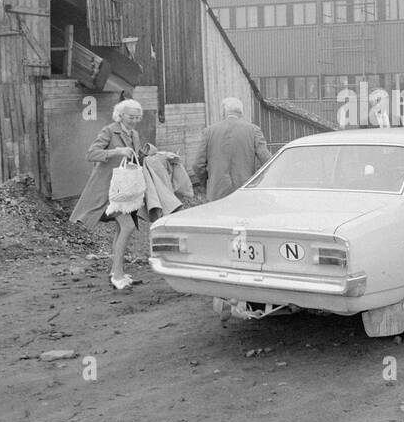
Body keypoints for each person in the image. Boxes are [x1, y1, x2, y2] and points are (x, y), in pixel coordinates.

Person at [69, 99, 179, 290]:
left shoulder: (134, 134)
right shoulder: (109, 131)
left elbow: (137, 158)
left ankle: (115, 271)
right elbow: (91, 154)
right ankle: (117, 275)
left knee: (122, 229)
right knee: (127, 227)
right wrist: (116, 151)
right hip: (107, 191)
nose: (135, 120)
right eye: (131, 116)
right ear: (120, 115)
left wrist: (160, 155)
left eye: (138, 117)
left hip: (126, 191)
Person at [191, 97, 272, 200]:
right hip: (244, 192)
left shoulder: (209, 131)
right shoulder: (254, 131)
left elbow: (198, 165)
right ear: (241, 113)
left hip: (217, 193)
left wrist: (209, 183)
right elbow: (268, 161)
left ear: (223, 112)